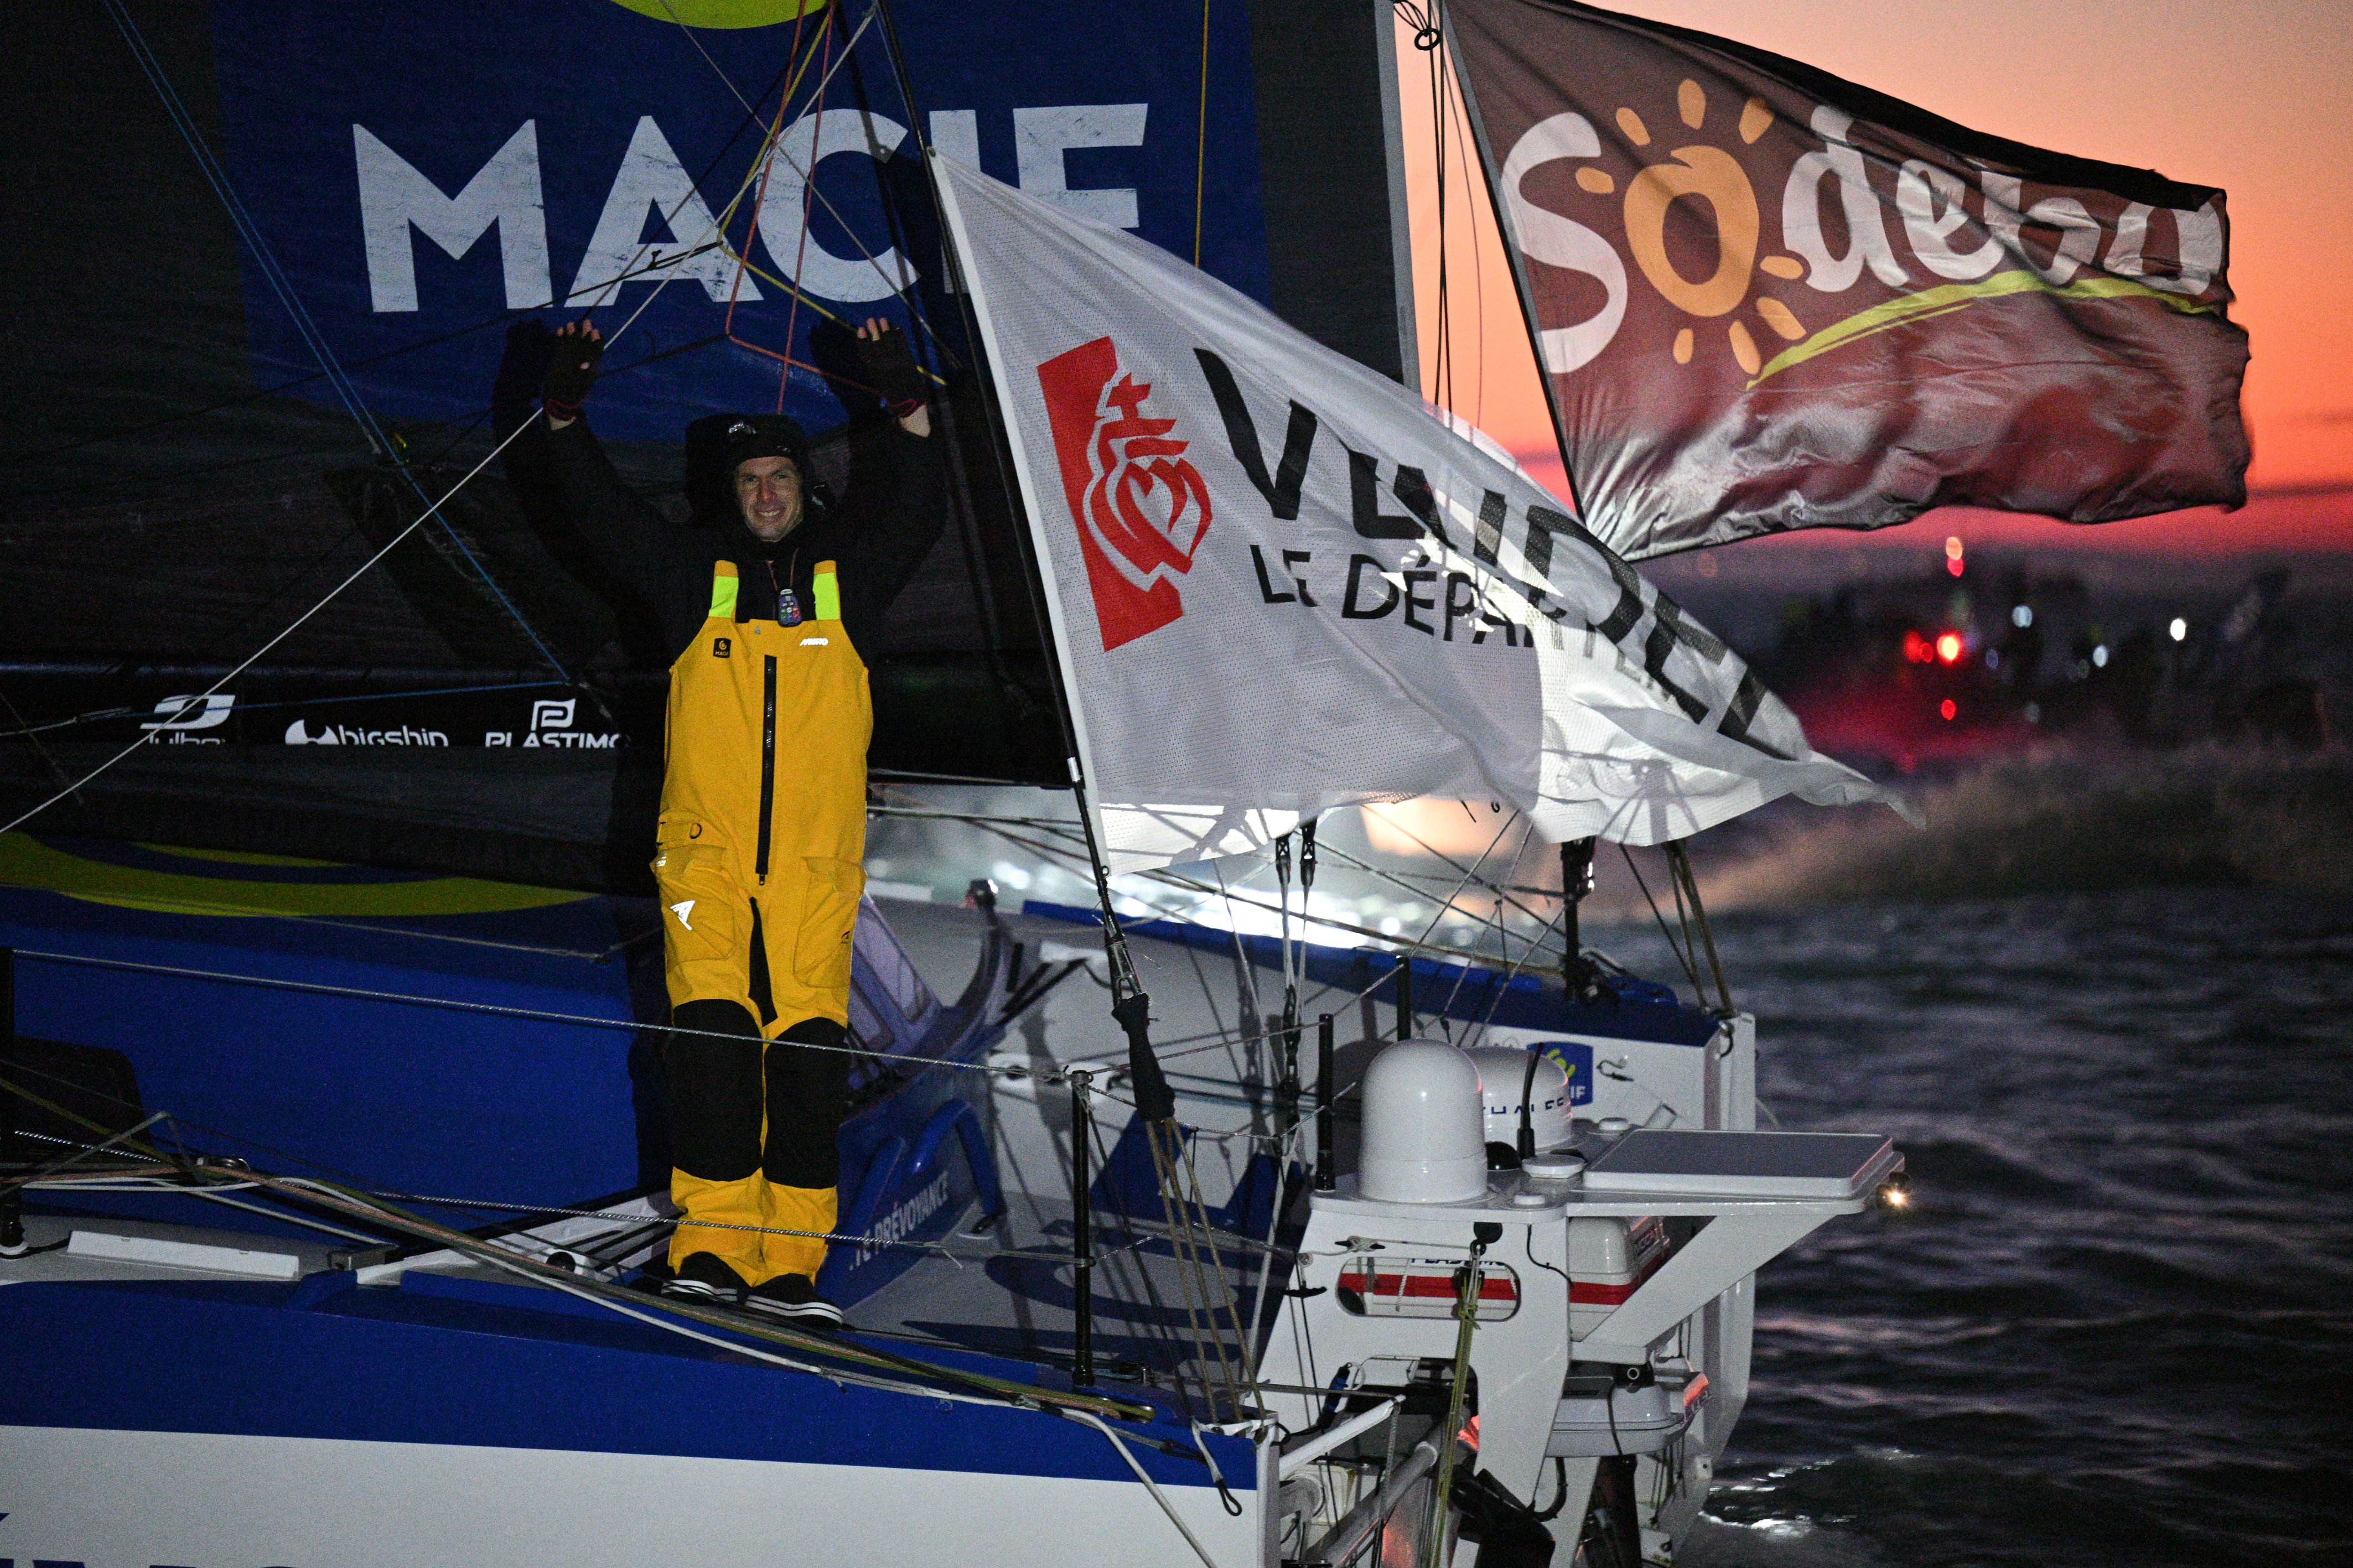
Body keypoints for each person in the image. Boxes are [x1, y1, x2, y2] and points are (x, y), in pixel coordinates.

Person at [538, 316, 944, 1325]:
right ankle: (712, 1247)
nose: (767, 493)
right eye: (750, 480)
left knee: (807, 1061)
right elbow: (592, 510)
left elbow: (920, 502)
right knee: (713, 1046)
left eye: (782, 477)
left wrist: (904, 400)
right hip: (707, 864)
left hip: (813, 871)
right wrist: (560, 414)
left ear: (806, 490)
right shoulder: (690, 584)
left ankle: (793, 1267)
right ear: (731, 496)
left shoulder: (848, 587)